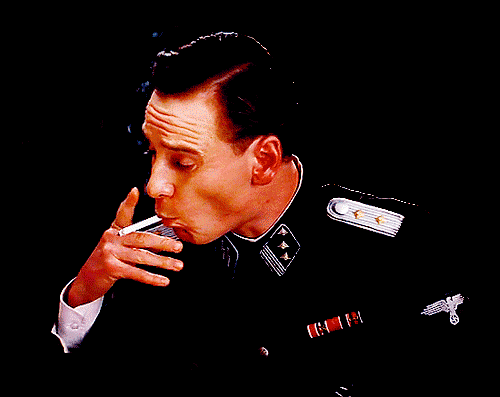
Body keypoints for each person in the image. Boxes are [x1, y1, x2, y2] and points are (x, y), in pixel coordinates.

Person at [52, 32, 471, 394]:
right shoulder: (149, 250)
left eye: (183, 162)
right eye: (152, 153)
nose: (154, 185)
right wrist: (85, 294)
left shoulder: (401, 252)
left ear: (264, 160)